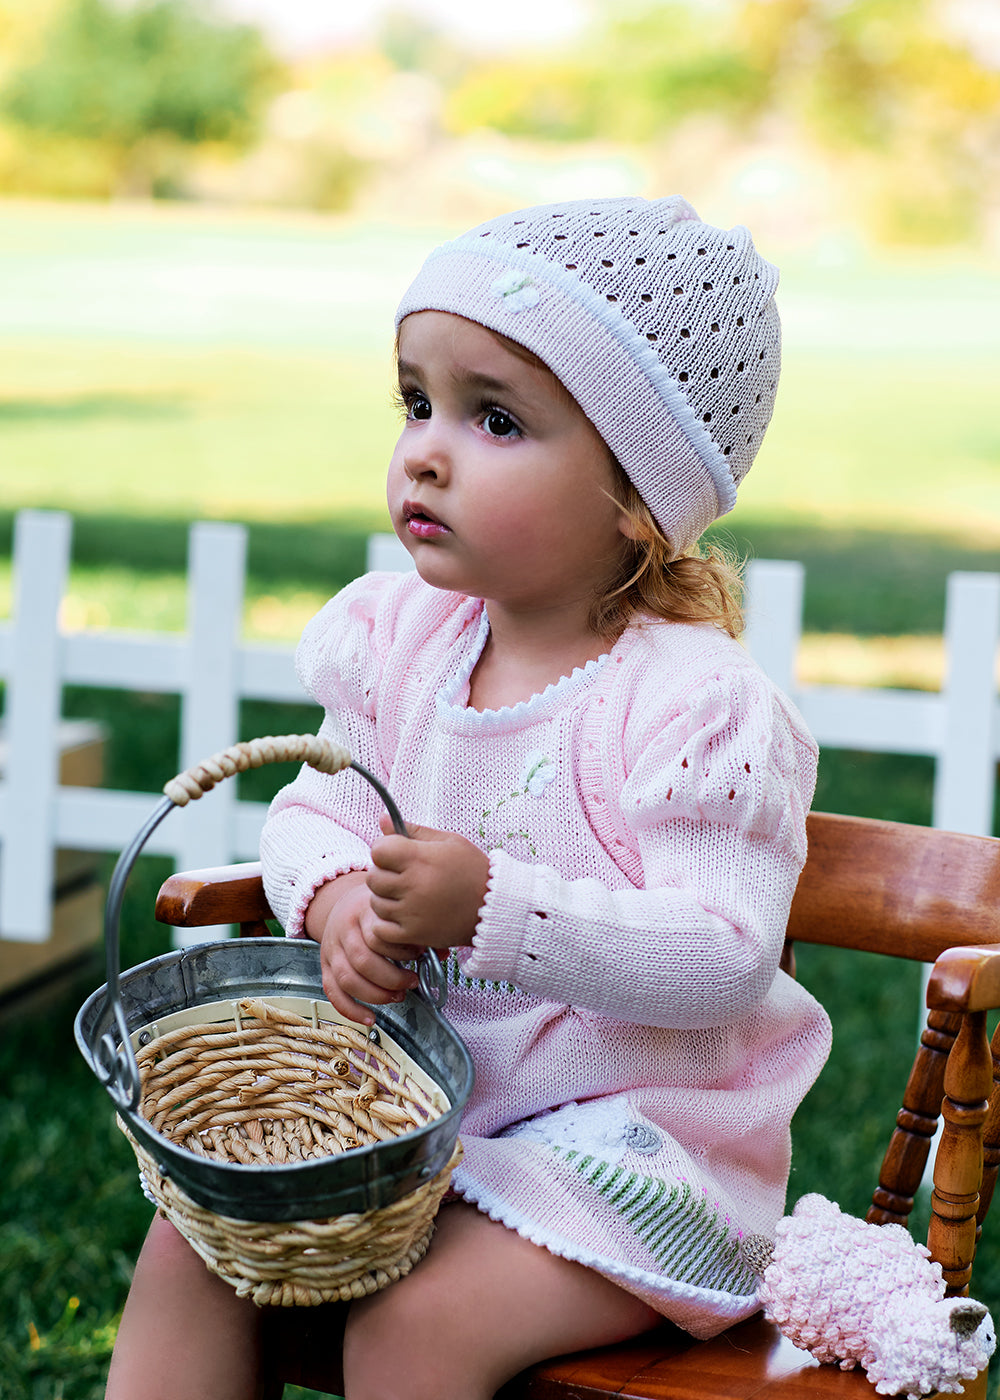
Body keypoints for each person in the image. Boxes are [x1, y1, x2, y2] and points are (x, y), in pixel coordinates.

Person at [105, 196, 831, 1400]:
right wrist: (334, 891)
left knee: (415, 1324)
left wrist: (492, 906)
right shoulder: (408, 641)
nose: (426, 450)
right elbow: (313, 809)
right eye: (415, 402)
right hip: (431, 1116)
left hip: (642, 1156)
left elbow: (723, 955)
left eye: (495, 417)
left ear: (637, 496)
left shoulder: (694, 706)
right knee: (193, 1241)